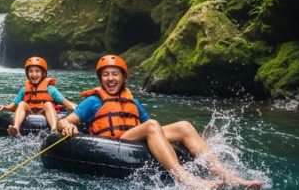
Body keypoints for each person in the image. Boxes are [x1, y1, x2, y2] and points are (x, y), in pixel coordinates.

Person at [57, 54, 263, 190]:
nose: (110, 79)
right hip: (116, 141)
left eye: (115, 74)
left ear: (123, 78)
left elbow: (152, 127)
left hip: (135, 138)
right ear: (100, 79)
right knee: (152, 126)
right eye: (106, 75)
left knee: (184, 126)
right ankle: (186, 179)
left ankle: (228, 176)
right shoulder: (93, 101)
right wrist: (66, 125)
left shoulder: (133, 101)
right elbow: (65, 121)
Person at [0, 56, 76, 136]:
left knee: (48, 104)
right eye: (31, 71)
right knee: (22, 103)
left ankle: (53, 129)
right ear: (27, 74)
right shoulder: (24, 90)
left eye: (37, 71)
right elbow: (13, 107)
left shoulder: (51, 89)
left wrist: (80, 109)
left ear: (43, 73)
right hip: (30, 112)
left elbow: (68, 104)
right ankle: (16, 128)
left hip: (44, 113)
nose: (34, 74)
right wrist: (3, 108)